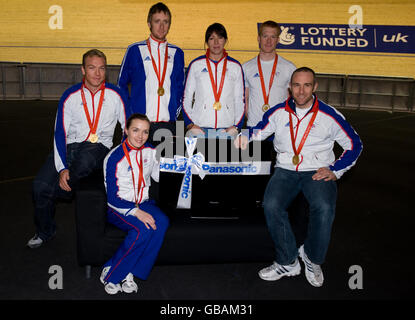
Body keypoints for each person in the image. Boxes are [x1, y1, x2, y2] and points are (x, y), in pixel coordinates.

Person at [234, 67, 363, 287]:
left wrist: (335, 169)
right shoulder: (277, 112)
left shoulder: (330, 115)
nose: (301, 91)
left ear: (315, 87)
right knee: (271, 205)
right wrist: (241, 136)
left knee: (323, 207)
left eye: (306, 85)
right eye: (296, 85)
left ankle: (312, 257)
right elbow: (259, 130)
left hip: (317, 169)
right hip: (285, 169)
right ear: (289, 87)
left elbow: (355, 145)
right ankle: (288, 260)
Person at [27, 49, 127, 248]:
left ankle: (63, 192)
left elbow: (127, 128)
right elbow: (59, 133)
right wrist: (63, 168)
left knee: (86, 160)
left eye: (101, 68)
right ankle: (45, 231)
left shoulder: (116, 94)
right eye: (92, 68)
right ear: (83, 70)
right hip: (70, 147)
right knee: (39, 187)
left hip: (99, 147)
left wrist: (122, 158)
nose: (97, 73)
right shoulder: (70, 95)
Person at [100, 113, 169, 295]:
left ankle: (131, 270)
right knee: (143, 229)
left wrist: (171, 164)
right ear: (126, 131)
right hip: (119, 206)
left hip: (143, 202)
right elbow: (112, 198)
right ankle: (112, 274)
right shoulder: (113, 158)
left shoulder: (151, 151)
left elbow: (158, 176)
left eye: (145, 132)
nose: (140, 136)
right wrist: (136, 212)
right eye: (136, 130)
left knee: (162, 222)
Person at [117, 2, 185, 145]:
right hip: (141, 125)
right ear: (149, 23)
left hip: (169, 124)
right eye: (157, 21)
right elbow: (121, 85)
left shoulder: (177, 53)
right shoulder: (134, 50)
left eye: (165, 22)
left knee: (167, 167)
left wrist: (174, 112)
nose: (161, 26)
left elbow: (181, 88)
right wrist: (129, 117)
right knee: (137, 166)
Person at [182, 22, 245, 138]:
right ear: (207, 42)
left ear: (225, 40)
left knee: (228, 156)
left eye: (220, 38)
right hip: (199, 128)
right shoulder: (196, 65)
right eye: (212, 38)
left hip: (227, 130)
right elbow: (187, 96)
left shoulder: (235, 66)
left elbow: (239, 99)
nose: (216, 42)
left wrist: (236, 126)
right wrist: (190, 124)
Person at [243, 20, 296, 128]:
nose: (268, 41)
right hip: (253, 126)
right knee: (247, 145)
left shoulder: (289, 67)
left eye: (273, 37)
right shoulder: (246, 67)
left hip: (279, 128)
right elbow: (244, 97)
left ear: (278, 40)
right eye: (265, 36)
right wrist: (248, 116)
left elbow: (295, 98)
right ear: (258, 38)